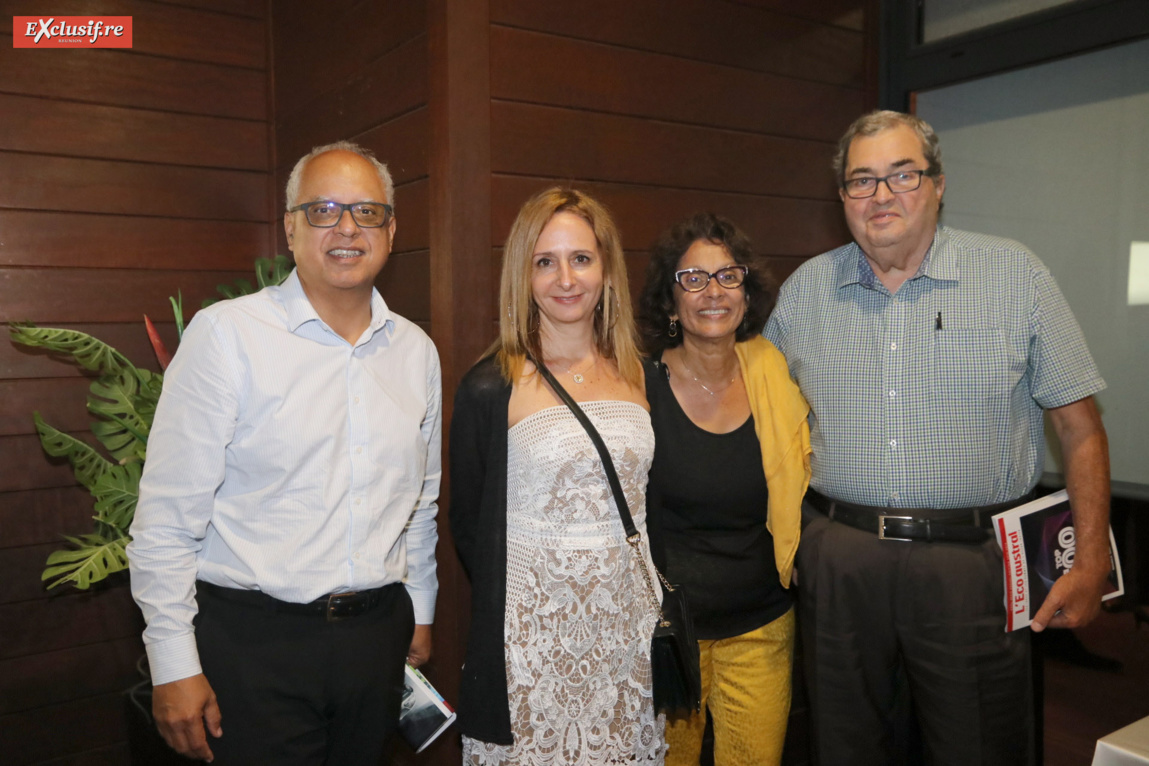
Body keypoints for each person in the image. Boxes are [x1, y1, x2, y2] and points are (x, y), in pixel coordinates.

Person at [764, 110, 1111, 766]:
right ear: (840, 197)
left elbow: (1080, 429)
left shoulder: (1015, 276)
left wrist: (1087, 561)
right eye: (860, 181)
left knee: (978, 746)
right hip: (840, 565)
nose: (880, 195)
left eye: (901, 175)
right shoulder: (805, 293)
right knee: (845, 746)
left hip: (970, 568)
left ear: (938, 184)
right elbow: (750, 413)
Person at [127, 141, 441, 764]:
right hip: (254, 646)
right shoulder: (227, 336)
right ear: (292, 230)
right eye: (324, 210)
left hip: (377, 641)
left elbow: (421, 506)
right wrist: (172, 663)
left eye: (367, 212)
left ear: (391, 230)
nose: (347, 227)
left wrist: (421, 613)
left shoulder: (416, 351)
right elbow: (165, 521)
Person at [449, 187, 666, 764]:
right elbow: (470, 527)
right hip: (531, 648)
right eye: (545, 262)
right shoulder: (491, 386)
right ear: (523, 275)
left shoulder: (642, 377)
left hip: (628, 640)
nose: (565, 278)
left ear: (607, 270)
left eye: (581, 259)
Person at [637, 213, 810, 766]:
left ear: (747, 291)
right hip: (666, 635)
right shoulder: (637, 388)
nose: (713, 292)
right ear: (671, 301)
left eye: (728, 276)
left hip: (762, 626)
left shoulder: (780, 375)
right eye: (694, 279)